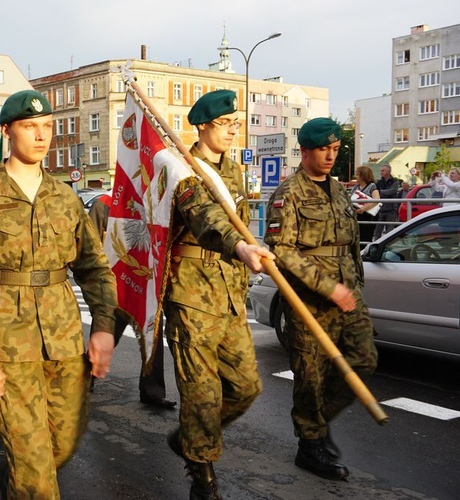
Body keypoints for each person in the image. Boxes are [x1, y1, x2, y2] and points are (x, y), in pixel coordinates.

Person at [0, 90, 118, 498]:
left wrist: (104, 326)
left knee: (63, 444)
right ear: (7, 131)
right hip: (6, 345)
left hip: (64, 340)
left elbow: (94, 268)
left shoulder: (66, 198)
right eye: (30, 126)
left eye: (48, 127)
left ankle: (14, 476)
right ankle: (25, 479)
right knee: (35, 468)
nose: (42, 136)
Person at [163, 90, 272, 500]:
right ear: (203, 125)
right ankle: (201, 473)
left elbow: (238, 219)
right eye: (225, 124)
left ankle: (190, 437)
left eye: (235, 123)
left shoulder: (233, 173)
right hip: (192, 294)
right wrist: (241, 247)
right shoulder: (182, 170)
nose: (232, 130)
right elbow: (206, 218)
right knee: (201, 392)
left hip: (229, 293)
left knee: (246, 387)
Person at [264, 117, 377, 482]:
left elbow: (351, 243)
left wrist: (354, 284)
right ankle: (310, 443)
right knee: (311, 375)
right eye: (323, 150)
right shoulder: (288, 193)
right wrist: (329, 288)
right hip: (311, 301)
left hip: (349, 293)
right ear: (305, 151)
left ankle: (317, 421)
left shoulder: (340, 191)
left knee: (364, 360)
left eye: (335, 150)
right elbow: (282, 251)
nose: (330, 157)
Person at [89, 192, 176, 409]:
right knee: (105, 336)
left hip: (145, 282)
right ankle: (82, 379)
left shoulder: (156, 203)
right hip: (116, 283)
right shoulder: (104, 203)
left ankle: (153, 391)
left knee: (152, 337)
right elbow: (90, 245)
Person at [351, 166, 380, 247]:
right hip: (357, 216)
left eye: (357, 175)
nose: (356, 177)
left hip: (368, 216)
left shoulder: (372, 186)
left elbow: (376, 199)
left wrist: (363, 209)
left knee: (366, 237)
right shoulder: (356, 187)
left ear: (363, 176)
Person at [373, 164, 400, 239]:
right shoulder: (379, 182)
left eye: (382, 170)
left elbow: (392, 191)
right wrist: (385, 193)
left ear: (388, 171)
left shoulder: (395, 181)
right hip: (380, 209)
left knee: (390, 231)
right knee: (377, 231)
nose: (381, 172)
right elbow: (377, 192)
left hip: (391, 210)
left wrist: (381, 192)